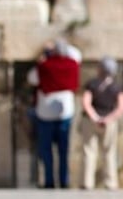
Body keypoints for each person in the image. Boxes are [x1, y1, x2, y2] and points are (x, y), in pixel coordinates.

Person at [26, 38, 82, 189]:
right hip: (65, 113)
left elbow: (31, 79)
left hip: (45, 113)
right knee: (63, 150)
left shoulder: (44, 66)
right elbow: (77, 53)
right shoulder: (72, 63)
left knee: (46, 150)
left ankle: (49, 181)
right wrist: (61, 46)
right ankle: (64, 181)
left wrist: (46, 53)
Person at [79, 56, 123, 191]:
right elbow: (121, 107)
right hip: (109, 122)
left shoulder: (92, 84)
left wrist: (95, 117)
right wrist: (108, 119)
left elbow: (86, 103)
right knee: (109, 152)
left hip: (91, 121)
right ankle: (111, 183)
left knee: (89, 151)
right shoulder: (116, 87)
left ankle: (87, 182)